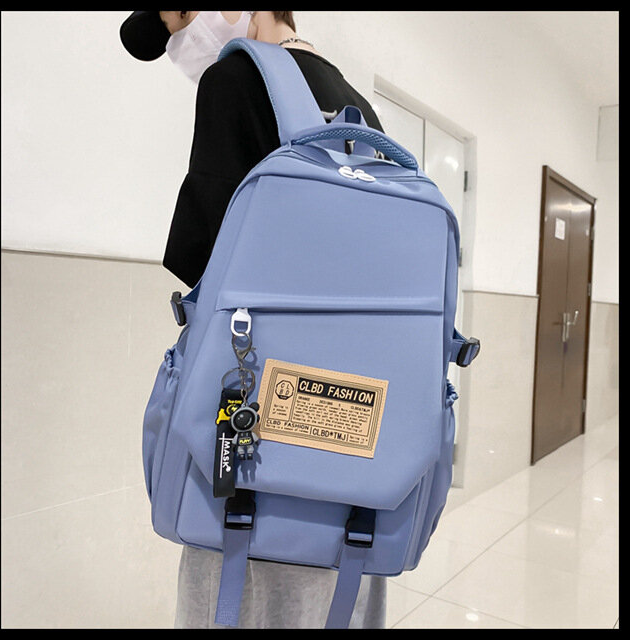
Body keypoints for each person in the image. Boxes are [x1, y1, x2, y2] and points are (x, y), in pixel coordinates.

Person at [120, 10, 387, 629]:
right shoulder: (360, 108)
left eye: (184, 16)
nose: (184, 36)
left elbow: (202, 257)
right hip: (352, 434)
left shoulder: (234, 79)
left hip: (255, 428)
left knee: (237, 589)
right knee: (335, 590)